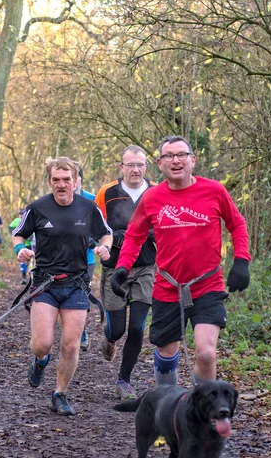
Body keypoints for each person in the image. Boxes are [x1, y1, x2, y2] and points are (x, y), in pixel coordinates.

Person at [112, 135, 251, 386]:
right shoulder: (152, 198)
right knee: (167, 353)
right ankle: (168, 408)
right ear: (160, 163)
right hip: (168, 286)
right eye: (169, 156)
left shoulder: (214, 190)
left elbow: (237, 224)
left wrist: (241, 260)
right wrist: (123, 266)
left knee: (206, 353)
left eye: (181, 155)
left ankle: (202, 413)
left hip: (207, 284)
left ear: (192, 160)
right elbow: (134, 236)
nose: (176, 161)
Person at [12, 156, 113, 416]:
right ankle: (40, 360)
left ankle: (60, 393)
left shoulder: (88, 208)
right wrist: (20, 249)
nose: (61, 184)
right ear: (49, 181)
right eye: (56, 180)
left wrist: (105, 247)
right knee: (42, 344)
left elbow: (106, 232)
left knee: (70, 345)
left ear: (76, 181)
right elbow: (19, 234)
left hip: (76, 284)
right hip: (45, 283)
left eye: (67, 179)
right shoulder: (38, 208)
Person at [95, 145, 158, 401]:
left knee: (137, 328)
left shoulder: (157, 192)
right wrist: (108, 241)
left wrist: (152, 235)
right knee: (118, 329)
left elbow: (167, 225)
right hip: (114, 268)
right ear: (121, 167)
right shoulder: (107, 192)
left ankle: (124, 381)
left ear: (146, 166)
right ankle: (109, 339)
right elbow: (93, 227)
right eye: (130, 165)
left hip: (145, 267)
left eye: (140, 164)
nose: (135, 169)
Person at [75, 164, 96, 352]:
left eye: (76, 177)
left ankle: (81, 331)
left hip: (86, 260)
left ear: (81, 179)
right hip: (59, 261)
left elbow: (104, 227)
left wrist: (94, 240)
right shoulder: (53, 201)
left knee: (81, 292)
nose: (72, 181)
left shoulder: (92, 200)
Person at [9, 208, 32, 284]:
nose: (21, 216)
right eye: (20, 214)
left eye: (23, 214)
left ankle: (28, 275)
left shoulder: (30, 220)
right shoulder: (16, 221)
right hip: (22, 245)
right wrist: (15, 234)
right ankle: (24, 277)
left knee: (28, 261)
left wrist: (30, 236)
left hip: (29, 244)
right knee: (24, 261)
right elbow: (10, 227)